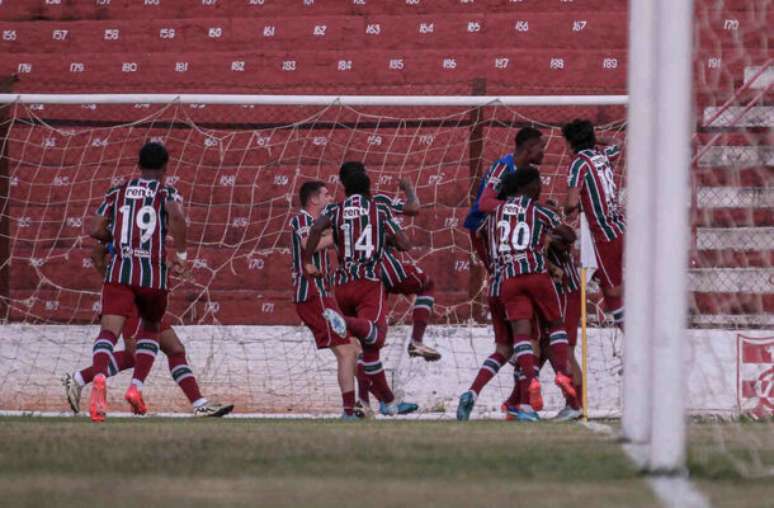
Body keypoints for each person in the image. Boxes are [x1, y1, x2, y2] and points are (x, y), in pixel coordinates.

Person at [457, 168, 575, 422]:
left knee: (511, 344)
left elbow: (480, 233)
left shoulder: (494, 213)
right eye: (539, 184)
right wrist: (551, 236)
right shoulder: (538, 209)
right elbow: (568, 235)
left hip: (503, 282)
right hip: (535, 275)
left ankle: (525, 385)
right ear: (530, 187)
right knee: (553, 329)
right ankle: (555, 381)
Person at [62, 243, 233, 417]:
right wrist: (114, 280)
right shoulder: (123, 226)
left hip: (148, 296)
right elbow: (98, 253)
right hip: (133, 298)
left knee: (174, 349)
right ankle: (83, 380)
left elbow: (146, 256)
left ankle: (199, 404)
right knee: (135, 354)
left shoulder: (148, 231)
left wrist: (169, 266)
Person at [86, 141, 187, 422]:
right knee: (151, 328)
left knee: (108, 333)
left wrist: (117, 238)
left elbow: (95, 229)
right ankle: (136, 387)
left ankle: (98, 378)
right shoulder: (167, 191)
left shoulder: (116, 191)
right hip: (152, 274)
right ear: (166, 167)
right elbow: (177, 217)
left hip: (119, 271)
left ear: (139, 164)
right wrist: (181, 254)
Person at [304, 171, 418, 416]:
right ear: (368, 186)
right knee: (375, 337)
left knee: (360, 350)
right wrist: (388, 239)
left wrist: (306, 261)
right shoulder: (379, 207)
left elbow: (314, 232)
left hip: (342, 282)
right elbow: (406, 241)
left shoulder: (335, 210)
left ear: (344, 186)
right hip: (368, 282)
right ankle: (342, 321)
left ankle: (378, 402)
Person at [338, 162, 441, 362]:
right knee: (426, 284)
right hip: (383, 266)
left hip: (352, 278)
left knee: (370, 339)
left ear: (344, 185)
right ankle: (416, 341)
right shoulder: (380, 202)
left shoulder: (338, 211)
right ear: (367, 179)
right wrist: (409, 188)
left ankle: (363, 391)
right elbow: (412, 213)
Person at [289, 181, 361, 419]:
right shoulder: (301, 220)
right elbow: (309, 244)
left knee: (354, 348)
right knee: (346, 351)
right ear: (314, 200)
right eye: (326, 194)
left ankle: (366, 403)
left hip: (322, 295)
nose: (331, 198)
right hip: (311, 295)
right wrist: (342, 233)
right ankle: (350, 410)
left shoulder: (319, 224)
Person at [562, 119, 624, 328]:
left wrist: (565, 209)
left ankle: (634, 335)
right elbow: (617, 142)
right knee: (608, 285)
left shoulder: (579, 163)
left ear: (571, 143)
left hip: (603, 235)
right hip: (620, 227)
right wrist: (594, 138)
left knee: (612, 289)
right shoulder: (602, 155)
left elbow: (571, 203)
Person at [464, 127, 545, 270]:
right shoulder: (503, 167)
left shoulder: (526, 171)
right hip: (482, 227)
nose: (544, 152)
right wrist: (529, 207)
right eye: (541, 147)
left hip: (503, 228)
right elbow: (485, 203)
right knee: (500, 274)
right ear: (529, 147)